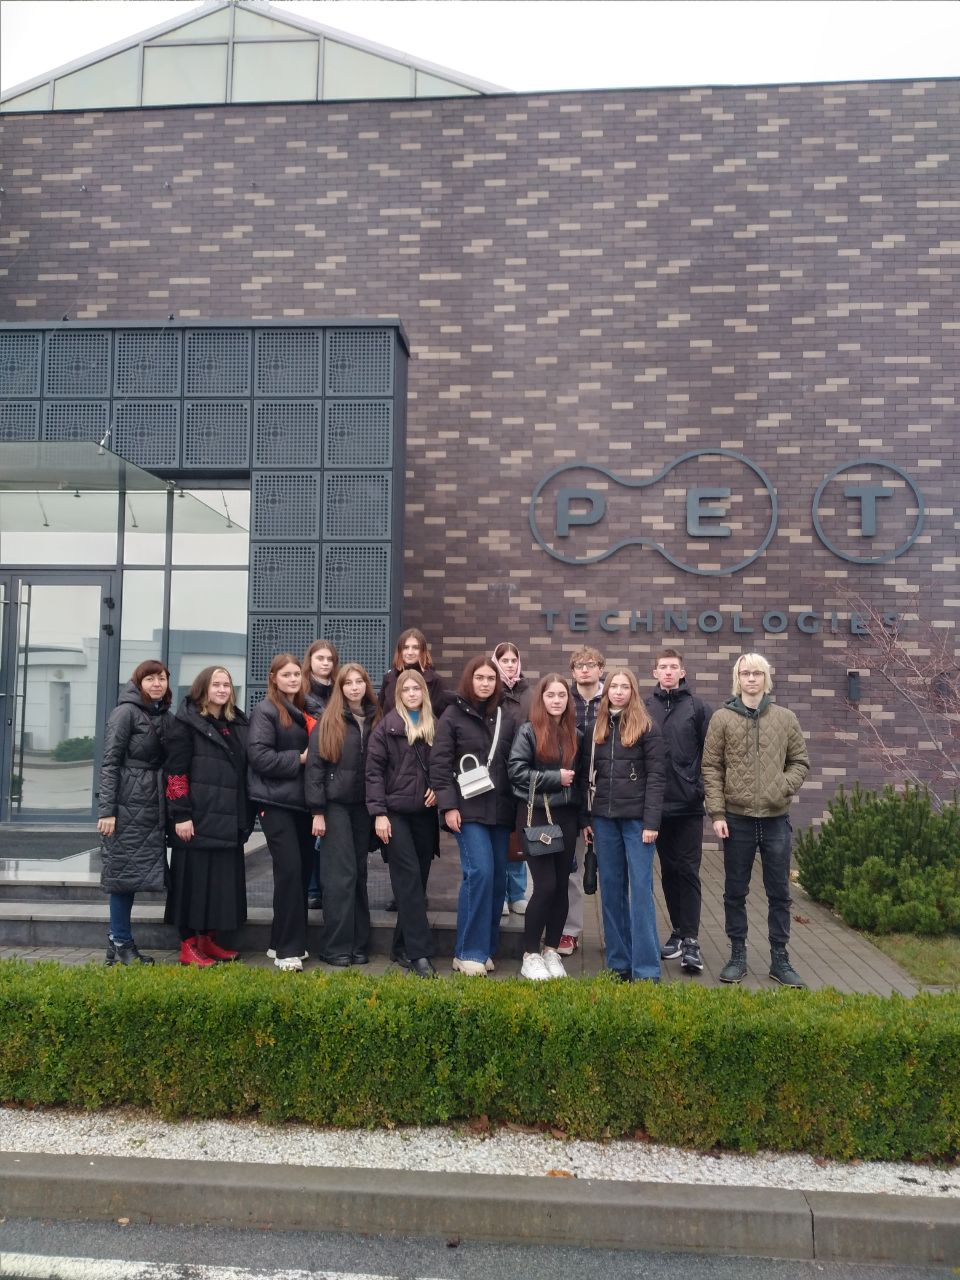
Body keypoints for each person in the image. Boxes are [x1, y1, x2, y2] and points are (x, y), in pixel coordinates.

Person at [701, 653, 811, 989]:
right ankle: (738, 955)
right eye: (746, 673)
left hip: (776, 820)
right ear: (738, 678)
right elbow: (711, 768)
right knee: (735, 891)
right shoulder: (721, 718)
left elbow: (800, 762)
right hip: (737, 820)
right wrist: (717, 813)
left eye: (757, 673)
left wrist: (783, 786)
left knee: (779, 893)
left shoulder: (785, 718)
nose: (751, 679)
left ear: (766, 678)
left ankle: (780, 958)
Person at [431, 656, 517, 976]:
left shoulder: (506, 716)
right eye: (480, 678)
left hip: (500, 810)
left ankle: (486, 949)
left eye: (490, 679)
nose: (485, 683)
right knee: (479, 872)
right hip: (467, 810)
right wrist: (448, 806)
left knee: (496, 879)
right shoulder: (452, 715)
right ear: (470, 679)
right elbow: (440, 764)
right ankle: (467, 951)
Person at [163, 666, 253, 967]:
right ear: (203, 688)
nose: (222, 689)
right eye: (216, 684)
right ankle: (188, 945)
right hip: (196, 820)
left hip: (228, 820)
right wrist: (181, 815)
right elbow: (175, 774)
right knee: (193, 884)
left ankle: (207, 941)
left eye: (227, 684)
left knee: (218, 887)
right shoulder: (185, 723)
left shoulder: (237, 722)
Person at [583, 667, 666, 982]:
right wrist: (587, 819)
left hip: (637, 823)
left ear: (633, 691)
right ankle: (619, 964)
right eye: (613, 686)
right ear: (606, 692)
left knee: (641, 893)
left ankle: (646, 970)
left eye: (624, 686)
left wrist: (651, 822)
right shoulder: (595, 728)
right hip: (604, 822)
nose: (618, 691)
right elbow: (586, 777)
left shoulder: (647, 727)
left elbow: (657, 777)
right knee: (611, 891)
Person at [508, 674, 584, 980]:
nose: (556, 700)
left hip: (566, 817)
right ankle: (530, 954)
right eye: (550, 695)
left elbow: (581, 782)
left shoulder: (576, 734)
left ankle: (552, 950)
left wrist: (584, 821)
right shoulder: (528, 731)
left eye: (561, 695)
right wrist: (556, 778)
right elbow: (516, 772)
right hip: (536, 815)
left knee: (562, 885)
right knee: (546, 886)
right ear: (541, 699)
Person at [96, 659, 172, 966]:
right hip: (126, 805)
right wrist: (107, 810)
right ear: (138, 682)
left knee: (130, 873)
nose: (157, 684)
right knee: (123, 877)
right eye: (150, 679)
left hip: (151, 805)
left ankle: (116, 942)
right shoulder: (125, 712)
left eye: (162, 678)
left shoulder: (163, 714)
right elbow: (110, 762)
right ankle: (121, 942)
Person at [365, 669, 439, 977]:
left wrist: (439, 788)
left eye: (416, 689)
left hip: (424, 815)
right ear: (398, 694)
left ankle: (400, 947)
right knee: (408, 881)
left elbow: (444, 765)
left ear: (424, 692)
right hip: (395, 815)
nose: (411, 693)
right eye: (406, 689)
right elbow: (373, 774)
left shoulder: (434, 726)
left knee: (417, 883)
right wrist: (379, 814)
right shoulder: (386, 728)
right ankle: (420, 954)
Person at [306, 664, 381, 967]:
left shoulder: (377, 719)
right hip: (334, 806)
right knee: (340, 876)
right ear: (340, 687)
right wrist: (317, 811)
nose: (354, 687)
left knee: (359, 874)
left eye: (359, 681)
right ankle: (335, 947)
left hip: (364, 807)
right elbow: (314, 768)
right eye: (348, 683)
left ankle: (358, 946)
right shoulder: (329, 720)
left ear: (366, 685)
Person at [646, 648, 712, 975]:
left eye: (674, 667)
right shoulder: (646, 707)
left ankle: (691, 940)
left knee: (688, 870)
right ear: (655, 672)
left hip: (688, 807)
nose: (669, 671)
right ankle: (676, 931)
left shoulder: (698, 708)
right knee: (669, 871)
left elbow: (711, 754)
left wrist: (699, 787)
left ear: (682, 672)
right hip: (657, 806)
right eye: (663, 667)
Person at [247, 653, 313, 971]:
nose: (293, 679)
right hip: (275, 804)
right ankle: (288, 950)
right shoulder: (265, 710)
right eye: (286, 674)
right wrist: (299, 759)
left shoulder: (305, 708)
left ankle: (279, 942)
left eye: (296, 674)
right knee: (289, 872)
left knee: (299, 874)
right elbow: (259, 757)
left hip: (302, 804)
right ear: (273, 678)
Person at [557, 646, 606, 957]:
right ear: (572, 671)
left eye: (591, 664)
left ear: (601, 669)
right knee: (571, 869)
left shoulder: (613, 698)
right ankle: (569, 931)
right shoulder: (564, 700)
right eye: (579, 665)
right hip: (572, 794)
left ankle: (614, 934)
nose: (585, 670)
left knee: (613, 871)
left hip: (608, 794)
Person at [492, 641, 532, 917]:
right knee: (498, 836)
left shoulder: (529, 692)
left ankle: (517, 892)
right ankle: (500, 894)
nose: (509, 664)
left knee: (518, 834)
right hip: (495, 771)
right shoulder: (489, 689)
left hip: (521, 770)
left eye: (513, 660)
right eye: (504, 660)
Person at [302, 640, 339, 910]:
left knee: (326, 833)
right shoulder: (301, 693)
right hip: (308, 768)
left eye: (329, 659)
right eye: (320, 658)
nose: (325, 663)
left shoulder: (338, 690)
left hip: (334, 770)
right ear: (310, 661)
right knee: (312, 830)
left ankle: (325, 887)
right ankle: (313, 888)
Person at [378, 628, 449, 715]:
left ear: (423, 651)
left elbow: (444, 715)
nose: (410, 652)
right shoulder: (389, 678)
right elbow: (380, 712)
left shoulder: (436, 681)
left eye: (415, 648)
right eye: (406, 647)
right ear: (400, 651)